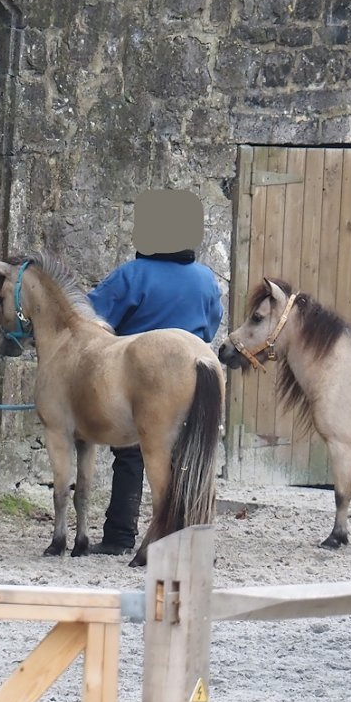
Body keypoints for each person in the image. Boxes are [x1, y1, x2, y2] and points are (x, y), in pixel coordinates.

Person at [86, 189, 224, 555]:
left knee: (130, 453)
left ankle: (119, 536)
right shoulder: (206, 279)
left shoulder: (131, 275)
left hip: (139, 378)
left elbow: (92, 321)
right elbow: (210, 329)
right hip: (199, 372)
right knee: (196, 450)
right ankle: (194, 536)